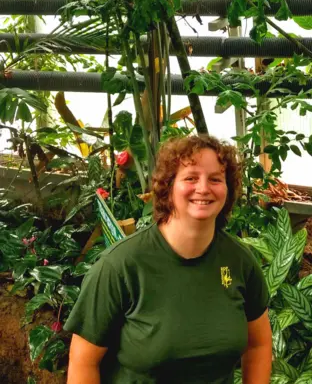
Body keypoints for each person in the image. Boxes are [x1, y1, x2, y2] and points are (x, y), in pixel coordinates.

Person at [65, 135, 272, 384]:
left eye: (215, 179)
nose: (203, 188)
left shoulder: (240, 262)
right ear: (168, 187)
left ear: (227, 190)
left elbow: (258, 345)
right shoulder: (121, 266)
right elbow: (83, 361)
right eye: (191, 178)